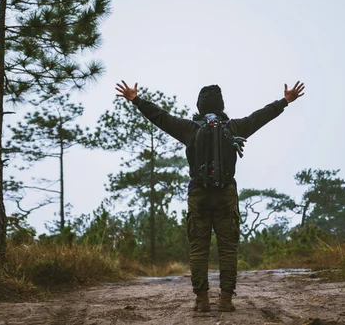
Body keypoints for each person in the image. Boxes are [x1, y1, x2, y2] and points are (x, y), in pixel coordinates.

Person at [115, 80, 305, 312]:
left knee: (199, 249)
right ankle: (226, 299)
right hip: (226, 193)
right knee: (227, 249)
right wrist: (284, 101)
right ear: (221, 105)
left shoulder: (189, 128)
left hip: (198, 194)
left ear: (199, 106)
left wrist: (136, 100)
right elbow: (260, 117)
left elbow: (160, 116)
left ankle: (202, 300)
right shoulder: (234, 127)